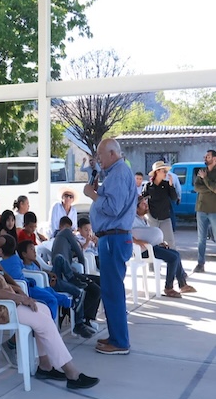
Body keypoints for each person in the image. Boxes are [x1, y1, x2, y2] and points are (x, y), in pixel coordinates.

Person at [0, 222, 99, 389]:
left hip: (5, 305)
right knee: (44, 322)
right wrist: (21, 299)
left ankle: (45, 365)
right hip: (0, 309)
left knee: (44, 310)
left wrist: (18, 292)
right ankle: (72, 373)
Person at [84, 137, 136, 355]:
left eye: (101, 156)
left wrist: (92, 195)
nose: (99, 160)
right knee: (110, 290)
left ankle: (120, 342)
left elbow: (113, 208)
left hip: (114, 238)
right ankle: (116, 336)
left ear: (112, 154)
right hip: (112, 238)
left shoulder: (120, 173)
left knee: (113, 291)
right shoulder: (115, 173)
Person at [0, 235, 72, 324]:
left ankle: (68, 303)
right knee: (52, 299)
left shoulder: (1, 264)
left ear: (0, 251)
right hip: (26, 289)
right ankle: (49, 323)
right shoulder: (15, 259)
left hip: (27, 286)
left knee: (49, 291)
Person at [132, 197, 195, 298]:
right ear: (136, 208)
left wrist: (159, 242)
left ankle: (182, 284)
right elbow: (127, 234)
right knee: (173, 258)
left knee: (176, 254)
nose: (146, 205)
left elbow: (147, 234)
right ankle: (168, 288)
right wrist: (137, 241)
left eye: (145, 203)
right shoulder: (132, 220)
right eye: (143, 204)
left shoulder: (144, 219)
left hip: (152, 246)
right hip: (143, 250)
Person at [50, 217, 100, 337]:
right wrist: (84, 272)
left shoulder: (59, 238)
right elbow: (80, 255)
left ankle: (86, 318)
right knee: (95, 289)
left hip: (68, 272)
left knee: (99, 281)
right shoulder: (66, 233)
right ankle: (82, 319)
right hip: (67, 275)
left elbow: (72, 254)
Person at [140, 161, 177, 249]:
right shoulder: (148, 186)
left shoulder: (167, 185)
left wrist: (171, 185)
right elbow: (142, 199)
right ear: (157, 172)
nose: (166, 173)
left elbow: (174, 198)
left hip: (165, 218)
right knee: (151, 243)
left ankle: (174, 258)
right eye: (164, 171)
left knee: (170, 242)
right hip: (152, 218)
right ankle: (151, 258)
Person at [194, 149, 216, 273]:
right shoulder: (202, 171)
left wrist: (206, 179)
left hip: (214, 210)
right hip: (201, 209)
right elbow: (197, 187)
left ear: (214, 159)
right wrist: (210, 188)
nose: (205, 158)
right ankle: (200, 263)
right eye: (205, 156)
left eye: (208, 156)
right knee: (201, 239)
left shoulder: (206, 174)